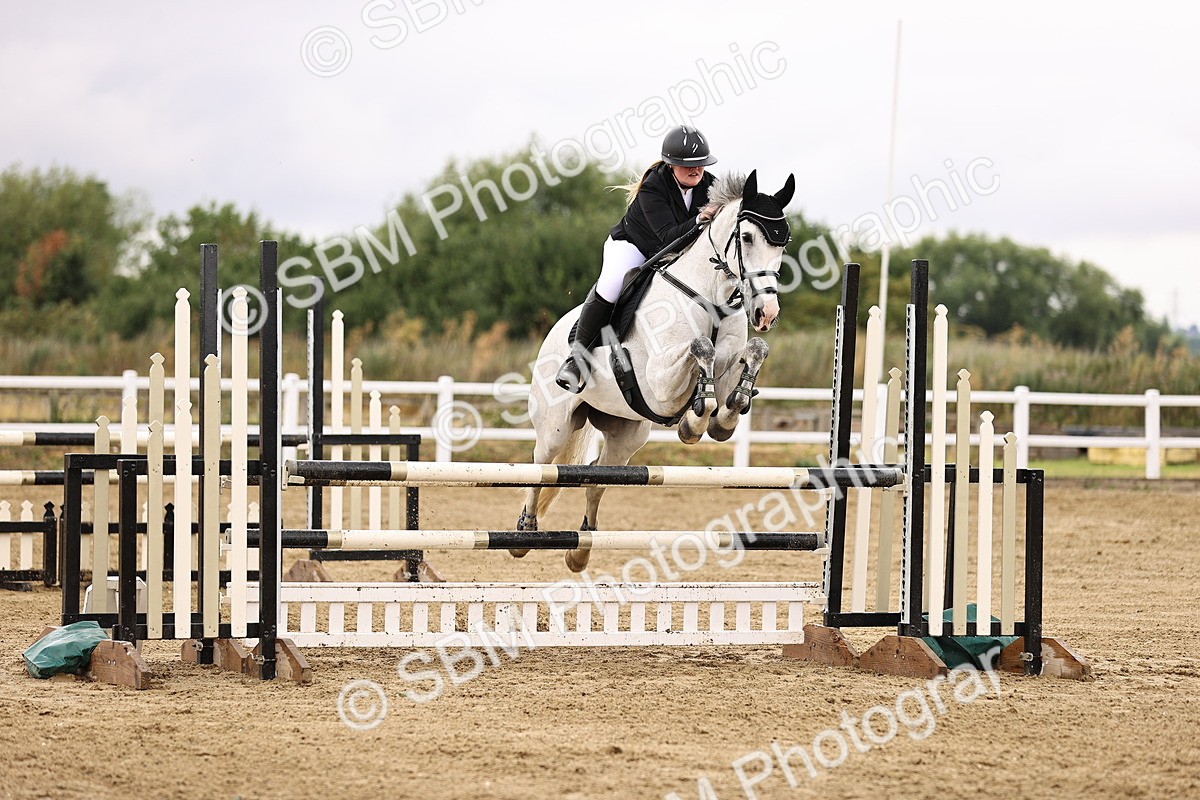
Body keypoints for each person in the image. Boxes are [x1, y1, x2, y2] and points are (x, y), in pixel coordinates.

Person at [555, 124, 719, 393]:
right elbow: (667, 236)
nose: (696, 169)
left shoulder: (711, 185)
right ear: (670, 164)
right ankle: (577, 358)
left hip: (678, 250)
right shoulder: (653, 186)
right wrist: (700, 218)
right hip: (635, 245)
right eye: (687, 164)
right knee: (612, 283)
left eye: (701, 163)